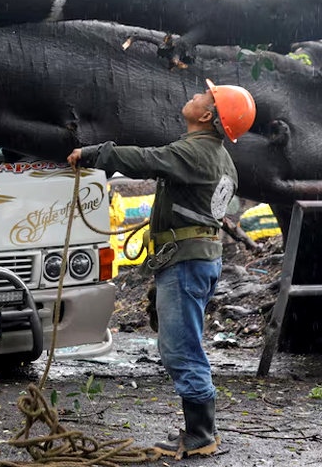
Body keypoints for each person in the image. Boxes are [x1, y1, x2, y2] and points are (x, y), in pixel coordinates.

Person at [67, 79, 256, 459]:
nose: (194, 95)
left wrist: (94, 154)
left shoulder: (195, 152)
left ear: (207, 115)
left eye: (204, 96)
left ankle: (201, 434)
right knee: (183, 343)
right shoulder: (222, 159)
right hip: (197, 257)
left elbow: (146, 159)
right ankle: (200, 429)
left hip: (186, 262)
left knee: (180, 348)